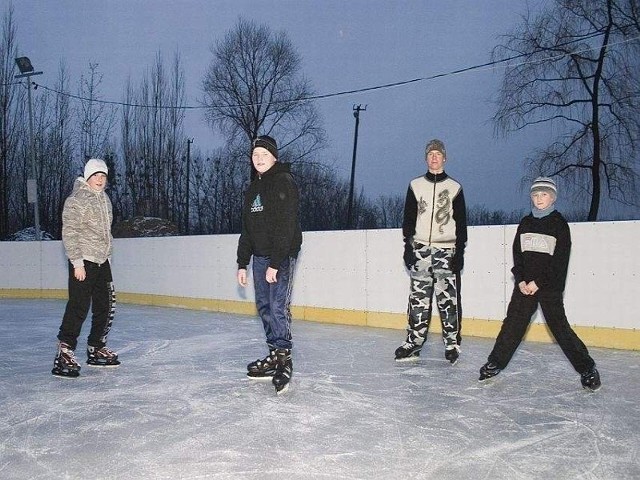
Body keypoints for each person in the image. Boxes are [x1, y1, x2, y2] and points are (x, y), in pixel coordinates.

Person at [478, 177, 601, 391]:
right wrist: (521, 279)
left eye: (544, 194)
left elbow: (559, 262)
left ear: (552, 197)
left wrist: (539, 282)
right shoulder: (525, 223)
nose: (539, 198)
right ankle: (495, 362)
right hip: (525, 286)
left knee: (559, 328)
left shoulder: (559, 224)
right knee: (513, 324)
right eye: (535, 194)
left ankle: (587, 368)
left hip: (549, 287)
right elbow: (518, 254)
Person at [237, 135, 302, 394]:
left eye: (264, 154)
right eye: (255, 155)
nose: (259, 159)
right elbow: (247, 229)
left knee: (277, 306)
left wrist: (276, 262)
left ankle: (284, 360)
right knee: (264, 306)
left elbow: (286, 225)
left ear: (274, 156)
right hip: (260, 257)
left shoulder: (283, 182)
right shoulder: (253, 188)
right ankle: (274, 354)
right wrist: (242, 263)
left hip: (281, 255)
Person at [395, 139, 467, 364]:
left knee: (448, 299)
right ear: (426, 158)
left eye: (438, 154)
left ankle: (452, 342)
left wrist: (459, 253)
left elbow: (461, 223)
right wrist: (408, 246)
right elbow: (408, 218)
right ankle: (413, 342)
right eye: (430, 154)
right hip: (421, 250)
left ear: (444, 158)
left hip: (446, 250)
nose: (434, 157)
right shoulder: (415, 185)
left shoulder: (455, 188)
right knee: (418, 299)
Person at [52, 158, 120, 378]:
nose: (100, 180)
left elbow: (106, 233)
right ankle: (64, 351)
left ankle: (96, 347)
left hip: (102, 261)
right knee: (79, 306)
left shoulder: (105, 199)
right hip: (83, 261)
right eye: (96, 176)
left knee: (106, 305)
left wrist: (107, 257)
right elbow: (69, 231)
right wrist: (76, 262)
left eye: (103, 176)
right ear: (88, 177)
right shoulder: (76, 199)